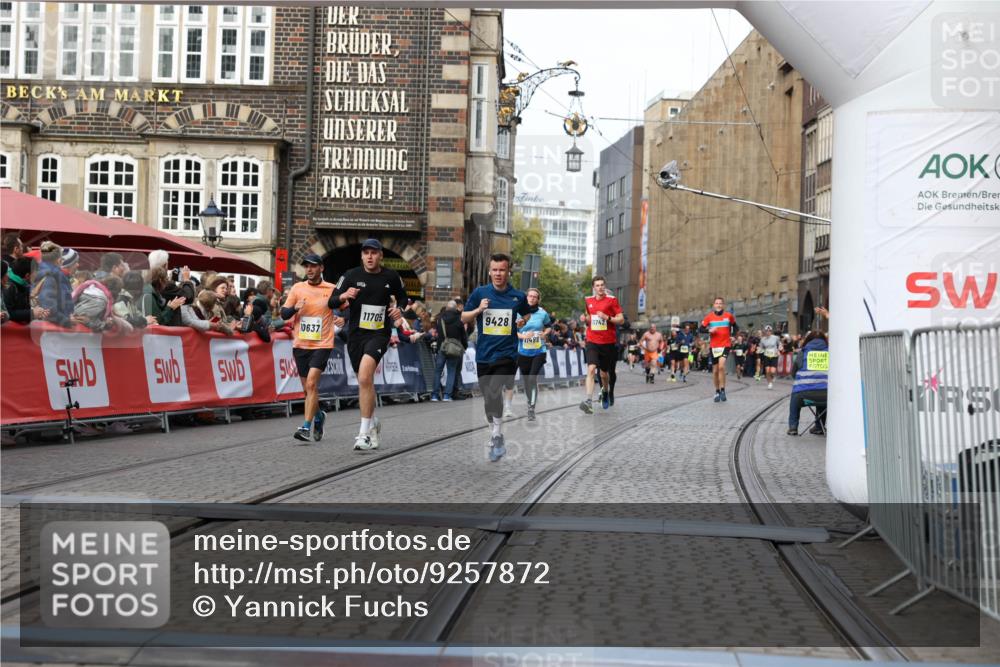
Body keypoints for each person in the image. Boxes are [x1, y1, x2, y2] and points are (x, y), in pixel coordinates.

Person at [330, 239, 408, 451]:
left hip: (379, 334)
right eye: (366, 253)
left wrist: (399, 309)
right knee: (365, 382)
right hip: (355, 336)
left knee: (365, 377)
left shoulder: (391, 276)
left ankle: (363, 434)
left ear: (381, 255)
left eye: (374, 253)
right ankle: (373, 423)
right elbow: (331, 301)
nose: (370, 257)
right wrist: (344, 295)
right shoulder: (351, 275)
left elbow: (403, 298)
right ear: (362, 256)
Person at [462, 253, 533, 462]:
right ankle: (496, 431)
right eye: (494, 270)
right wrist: (478, 309)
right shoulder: (480, 293)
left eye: (502, 270)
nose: (498, 274)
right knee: (488, 398)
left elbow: (526, 313)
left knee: (495, 389)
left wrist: (522, 321)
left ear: (508, 271)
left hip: (507, 354)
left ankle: (496, 435)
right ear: (490, 271)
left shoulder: (517, 296)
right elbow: (463, 317)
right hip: (484, 354)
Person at [281, 253, 342, 443]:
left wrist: (343, 318)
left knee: (312, 384)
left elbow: (345, 306)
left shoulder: (331, 289)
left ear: (321, 268)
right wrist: (294, 309)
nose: (309, 269)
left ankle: (306, 427)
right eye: (306, 266)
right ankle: (319, 416)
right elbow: (284, 314)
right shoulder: (298, 288)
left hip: (322, 344)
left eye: (313, 266)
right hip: (301, 344)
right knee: (307, 391)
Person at [579, 276, 624, 413]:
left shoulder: (612, 300)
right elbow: (588, 317)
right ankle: (588, 401)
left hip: (607, 342)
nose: (600, 287)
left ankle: (605, 390)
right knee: (591, 369)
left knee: (604, 374)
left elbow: (621, 320)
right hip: (592, 340)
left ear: (605, 286)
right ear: (594, 287)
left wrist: (607, 318)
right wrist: (584, 318)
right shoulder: (588, 300)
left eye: (602, 285)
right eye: (597, 285)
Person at [516, 288, 553, 421]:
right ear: (526, 298)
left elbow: (549, 326)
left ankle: (531, 407)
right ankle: (529, 401)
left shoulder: (542, 313)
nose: (531, 298)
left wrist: (545, 333)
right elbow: (512, 331)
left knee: (532, 378)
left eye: (534, 297)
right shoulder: (518, 312)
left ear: (538, 299)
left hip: (539, 350)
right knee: (526, 381)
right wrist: (522, 336)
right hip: (523, 351)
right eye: (529, 296)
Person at [787, 331, 829, 435]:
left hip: (803, 396)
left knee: (795, 396)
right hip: (826, 397)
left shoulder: (803, 352)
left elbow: (793, 373)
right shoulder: (830, 353)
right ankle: (819, 427)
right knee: (822, 390)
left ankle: (793, 427)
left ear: (808, 340)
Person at [700, 296, 738, 403]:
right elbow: (700, 329)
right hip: (714, 346)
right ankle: (717, 391)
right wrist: (709, 330)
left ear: (723, 305)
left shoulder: (728, 316)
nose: (718, 305)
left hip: (725, 344)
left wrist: (733, 335)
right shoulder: (709, 317)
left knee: (721, 367)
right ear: (714, 305)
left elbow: (735, 326)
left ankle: (723, 390)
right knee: (715, 370)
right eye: (716, 303)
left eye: (720, 303)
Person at [431, 300, 468, 402]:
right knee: (451, 371)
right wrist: (464, 346)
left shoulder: (440, 318)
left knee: (438, 371)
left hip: (442, 347)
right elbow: (463, 336)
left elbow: (438, 333)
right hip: (454, 349)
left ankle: (434, 395)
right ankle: (447, 395)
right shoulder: (459, 320)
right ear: (456, 308)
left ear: (447, 308)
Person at [32, 241, 74, 328]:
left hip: (46, 329)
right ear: (59, 260)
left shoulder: (39, 273)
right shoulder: (52, 276)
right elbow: (49, 308)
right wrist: (67, 322)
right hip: (55, 331)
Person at [759, 325, 781, 389]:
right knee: (767, 371)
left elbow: (779, 344)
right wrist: (760, 350)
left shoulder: (775, 338)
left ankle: (773, 376)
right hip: (766, 355)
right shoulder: (762, 339)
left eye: (769, 331)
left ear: (771, 332)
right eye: (766, 331)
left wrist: (779, 350)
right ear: (765, 332)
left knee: (772, 371)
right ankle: (770, 383)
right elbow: (761, 347)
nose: (768, 332)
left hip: (774, 355)